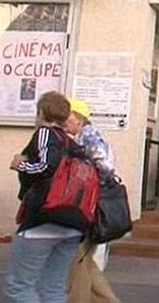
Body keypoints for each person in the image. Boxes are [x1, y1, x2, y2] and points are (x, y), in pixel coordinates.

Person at [5, 91, 82, 303]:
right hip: (73, 223)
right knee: (53, 288)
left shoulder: (45, 133)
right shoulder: (72, 143)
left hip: (44, 219)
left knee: (20, 287)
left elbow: (45, 166)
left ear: (41, 112)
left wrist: (21, 164)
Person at [64, 98, 120, 303]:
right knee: (85, 261)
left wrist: (88, 183)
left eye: (67, 117)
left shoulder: (88, 135)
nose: (64, 122)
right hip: (91, 204)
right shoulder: (83, 135)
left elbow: (104, 165)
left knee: (78, 258)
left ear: (78, 118)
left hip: (89, 205)